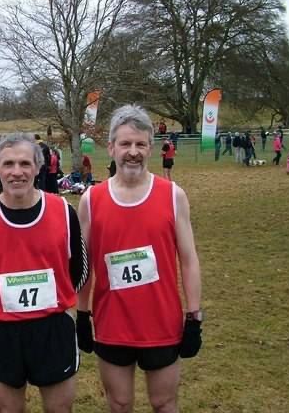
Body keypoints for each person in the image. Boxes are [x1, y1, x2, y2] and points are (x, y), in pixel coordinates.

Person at [76, 104, 202, 413]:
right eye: (125, 144)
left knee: (164, 402)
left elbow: (189, 260)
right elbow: (83, 265)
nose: (133, 152)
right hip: (112, 323)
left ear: (150, 148)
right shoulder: (91, 200)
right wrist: (81, 314)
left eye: (140, 144)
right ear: (111, 148)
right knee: (119, 403)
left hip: (162, 323)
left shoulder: (173, 196)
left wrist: (194, 317)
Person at [0, 132, 89, 413]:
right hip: (2, 332)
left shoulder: (63, 211)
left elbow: (79, 270)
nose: (16, 172)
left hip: (53, 328)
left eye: (24, 163)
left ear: (38, 167)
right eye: (8, 164)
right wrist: (6, 301)